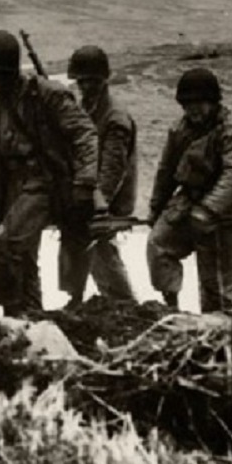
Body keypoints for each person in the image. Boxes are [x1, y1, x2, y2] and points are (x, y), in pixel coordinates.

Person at [0, 29, 101, 317]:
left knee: (1, 246)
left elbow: (86, 136)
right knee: (23, 259)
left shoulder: (47, 95)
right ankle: (26, 316)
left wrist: (85, 182)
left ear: (8, 71)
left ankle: (14, 309)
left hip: (45, 184)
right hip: (13, 186)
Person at [146, 67, 232, 313]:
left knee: (216, 288)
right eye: (187, 104)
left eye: (199, 103)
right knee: (159, 246)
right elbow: (166, 171)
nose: (193, 110)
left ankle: (220, 335)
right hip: (191, 200)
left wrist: (209, 209)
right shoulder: (180, 130)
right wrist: (156, 208)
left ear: (212, 102)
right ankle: (171, 310)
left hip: (226, 213)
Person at [58, 45, 137, 306]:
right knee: (73, 234)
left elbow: (113, 170)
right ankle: (75, 296)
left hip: (110, 198)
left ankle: (122, 301)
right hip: (91, 191)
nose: (85, 87)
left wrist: (98, 203)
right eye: (80, 81)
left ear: (104, 80)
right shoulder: (88, 108)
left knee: (98, 243)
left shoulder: (115, 118)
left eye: (91, 81)